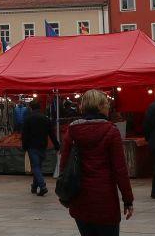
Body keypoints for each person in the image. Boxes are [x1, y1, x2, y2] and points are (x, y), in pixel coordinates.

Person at [58, 89, 134, 236]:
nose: (108, 106)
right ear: (100, 106)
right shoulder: (111, 131)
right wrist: (128, 200)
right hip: (105, 199)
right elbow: (120, 170)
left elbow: (64, 165)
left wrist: (64, 194)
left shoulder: (72, 130)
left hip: (80, 198)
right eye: (106, 104)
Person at [23, 101, 60, 197]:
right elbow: (51, 133)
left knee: (35, 167)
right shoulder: (46, 118)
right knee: (38, 166)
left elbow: (24, 135)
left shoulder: (28, 119)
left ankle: (42, 186)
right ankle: (34, 186)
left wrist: (24, 146)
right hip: (43, 146)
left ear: (31, 108)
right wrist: (57, 145)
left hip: (32, 146)